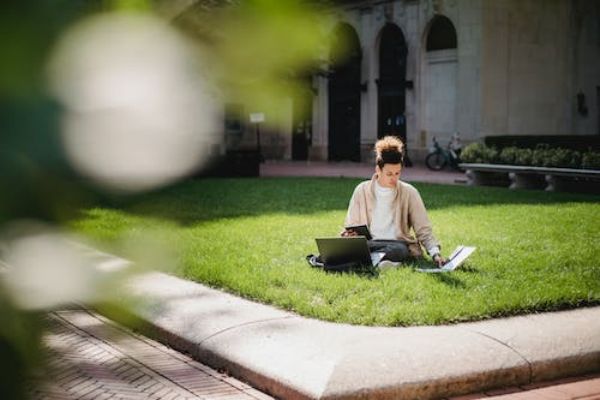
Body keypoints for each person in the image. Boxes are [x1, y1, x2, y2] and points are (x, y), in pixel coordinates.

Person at [342, 136, 446, 267]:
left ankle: (368, 262)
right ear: (378, 170)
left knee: (400, 251)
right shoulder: (361, 190)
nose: (394, 178)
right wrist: (349, 235)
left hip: (396, 244)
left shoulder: (409, 192)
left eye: (397, 173)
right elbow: (351, 224)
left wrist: (435, 254)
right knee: (345, 250)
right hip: (370, 243)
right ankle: (379, 262)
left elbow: (423, 229)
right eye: (389, 174)